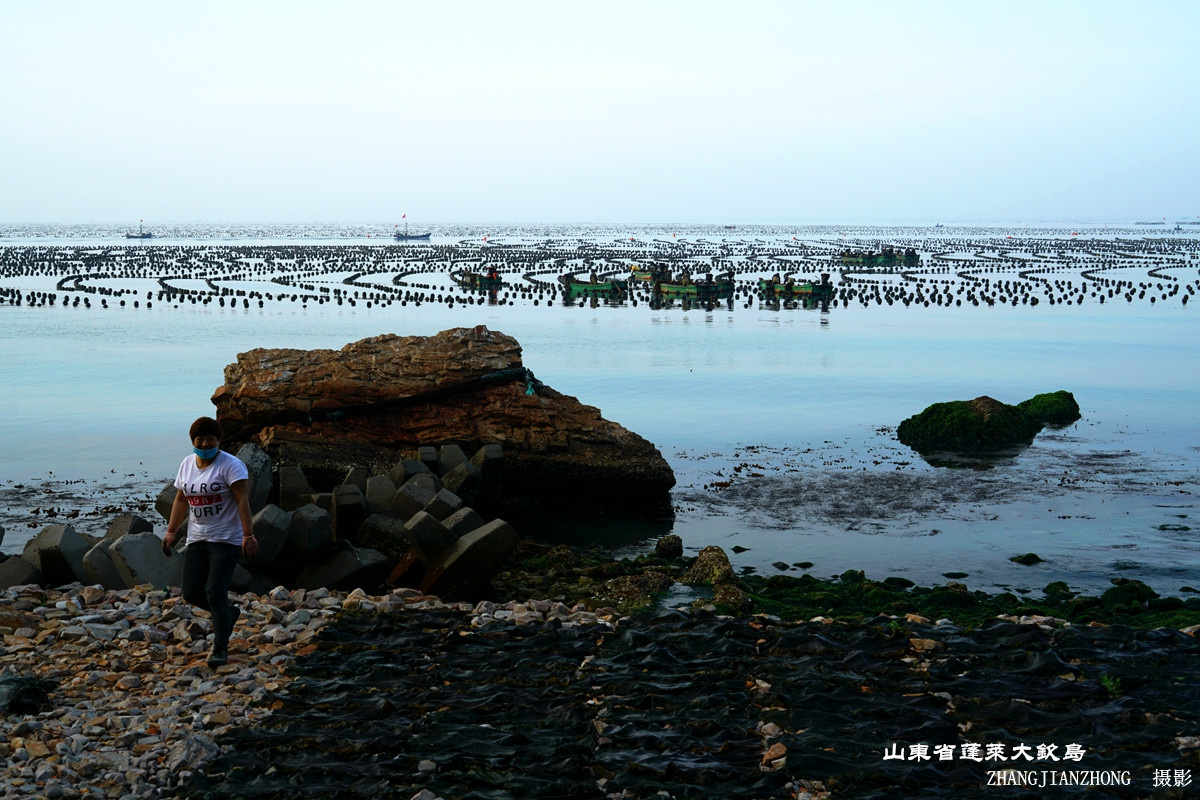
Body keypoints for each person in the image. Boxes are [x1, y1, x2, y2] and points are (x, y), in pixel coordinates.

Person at [163, 417, 259, 667]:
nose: (205, 444)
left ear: (219, 440)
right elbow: (181, 500)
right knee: (191, 592)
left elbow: (242, 501)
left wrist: (248, 535)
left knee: (215, 593)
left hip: (226, 539)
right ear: (192, 441)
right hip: (197, 538)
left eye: (210, 439)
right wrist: (171, 531)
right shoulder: (186, 464)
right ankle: (228, 614)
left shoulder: (231, 466)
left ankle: (220, 648)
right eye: (199, 439)